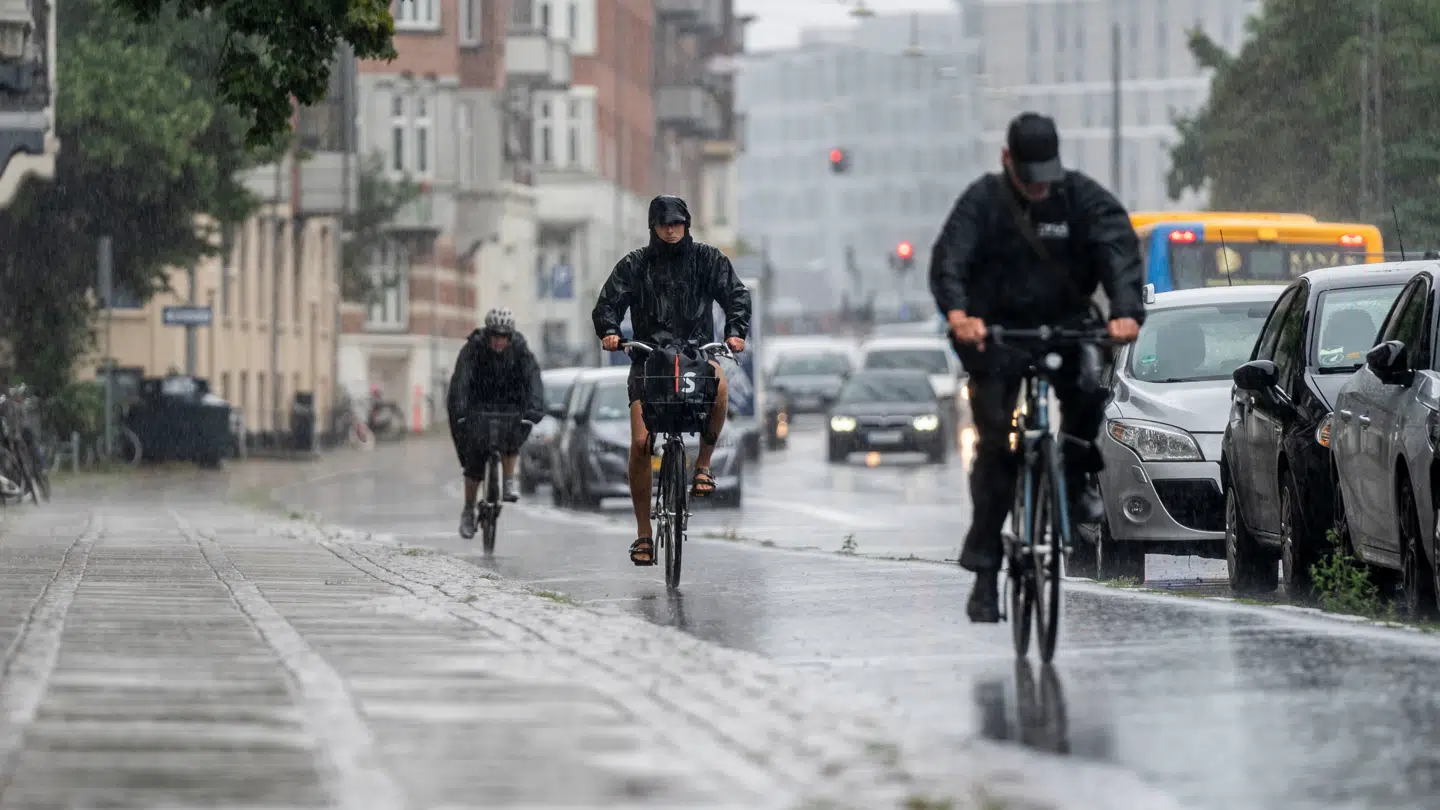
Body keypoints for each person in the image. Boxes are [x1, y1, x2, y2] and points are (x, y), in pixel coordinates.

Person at [928, 112, 1145, 622]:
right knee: (995, 450)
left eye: (1047, 174)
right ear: (1007, 161)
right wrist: (959, 315)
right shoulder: (983, 201)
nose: (1040, 187)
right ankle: (985, 572)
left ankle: (1073, 482)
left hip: (1066, 328)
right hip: (997, 337)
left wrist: (1124, 311)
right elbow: (951, 257)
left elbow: (1117, 249)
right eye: (1030, 177)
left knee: (1089, 392)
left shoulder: (1082, 199)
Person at [592, 195, 751, 567]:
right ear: (653, 227)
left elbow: (736, 295)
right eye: (665, 224)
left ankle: (703, 466)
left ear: (687, 224)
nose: (671, 230)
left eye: (678, 223)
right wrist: (611, 331)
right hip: (649, 361)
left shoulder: (708, 260)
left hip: (696, 356)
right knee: (640, 441)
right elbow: (606, 305)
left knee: (721, 388)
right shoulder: (634, 265)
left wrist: (735, 331)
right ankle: (643, 534)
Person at [447, 307, 545, 539]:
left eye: (504, 336)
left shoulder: (520, 350)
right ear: (488, 334)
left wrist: (535, 407)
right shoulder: (473, 349)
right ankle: (468, 510)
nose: (499, 341)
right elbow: (461, 380)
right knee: (473, 460)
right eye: (495, 335)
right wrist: (461, 410)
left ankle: (509, 481)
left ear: (510, 337)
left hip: (509, 405)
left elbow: (533, 379)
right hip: (477, 405)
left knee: (514, 434)